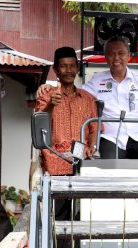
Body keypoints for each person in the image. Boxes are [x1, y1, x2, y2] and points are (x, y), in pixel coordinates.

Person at [82, 36, 138, 159]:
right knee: (107, 158)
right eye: (111, 54)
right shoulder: (97, 80)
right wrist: (50, 88)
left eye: (121, 53)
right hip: (110, 138)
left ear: (129, 55)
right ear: (105, 57)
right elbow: (76, 95)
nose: (116, 58)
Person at [35, 46, 99, 176]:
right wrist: (51, 105)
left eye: (72, 66)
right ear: (56, 70)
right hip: (54, 161)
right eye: (63, 66)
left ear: (77, 67)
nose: (69, 70)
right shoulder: (46, 96)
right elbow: (39, 126)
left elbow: (95, 128)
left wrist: (92, 147)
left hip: (82, 161)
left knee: (83, 196)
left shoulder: (88, 99)